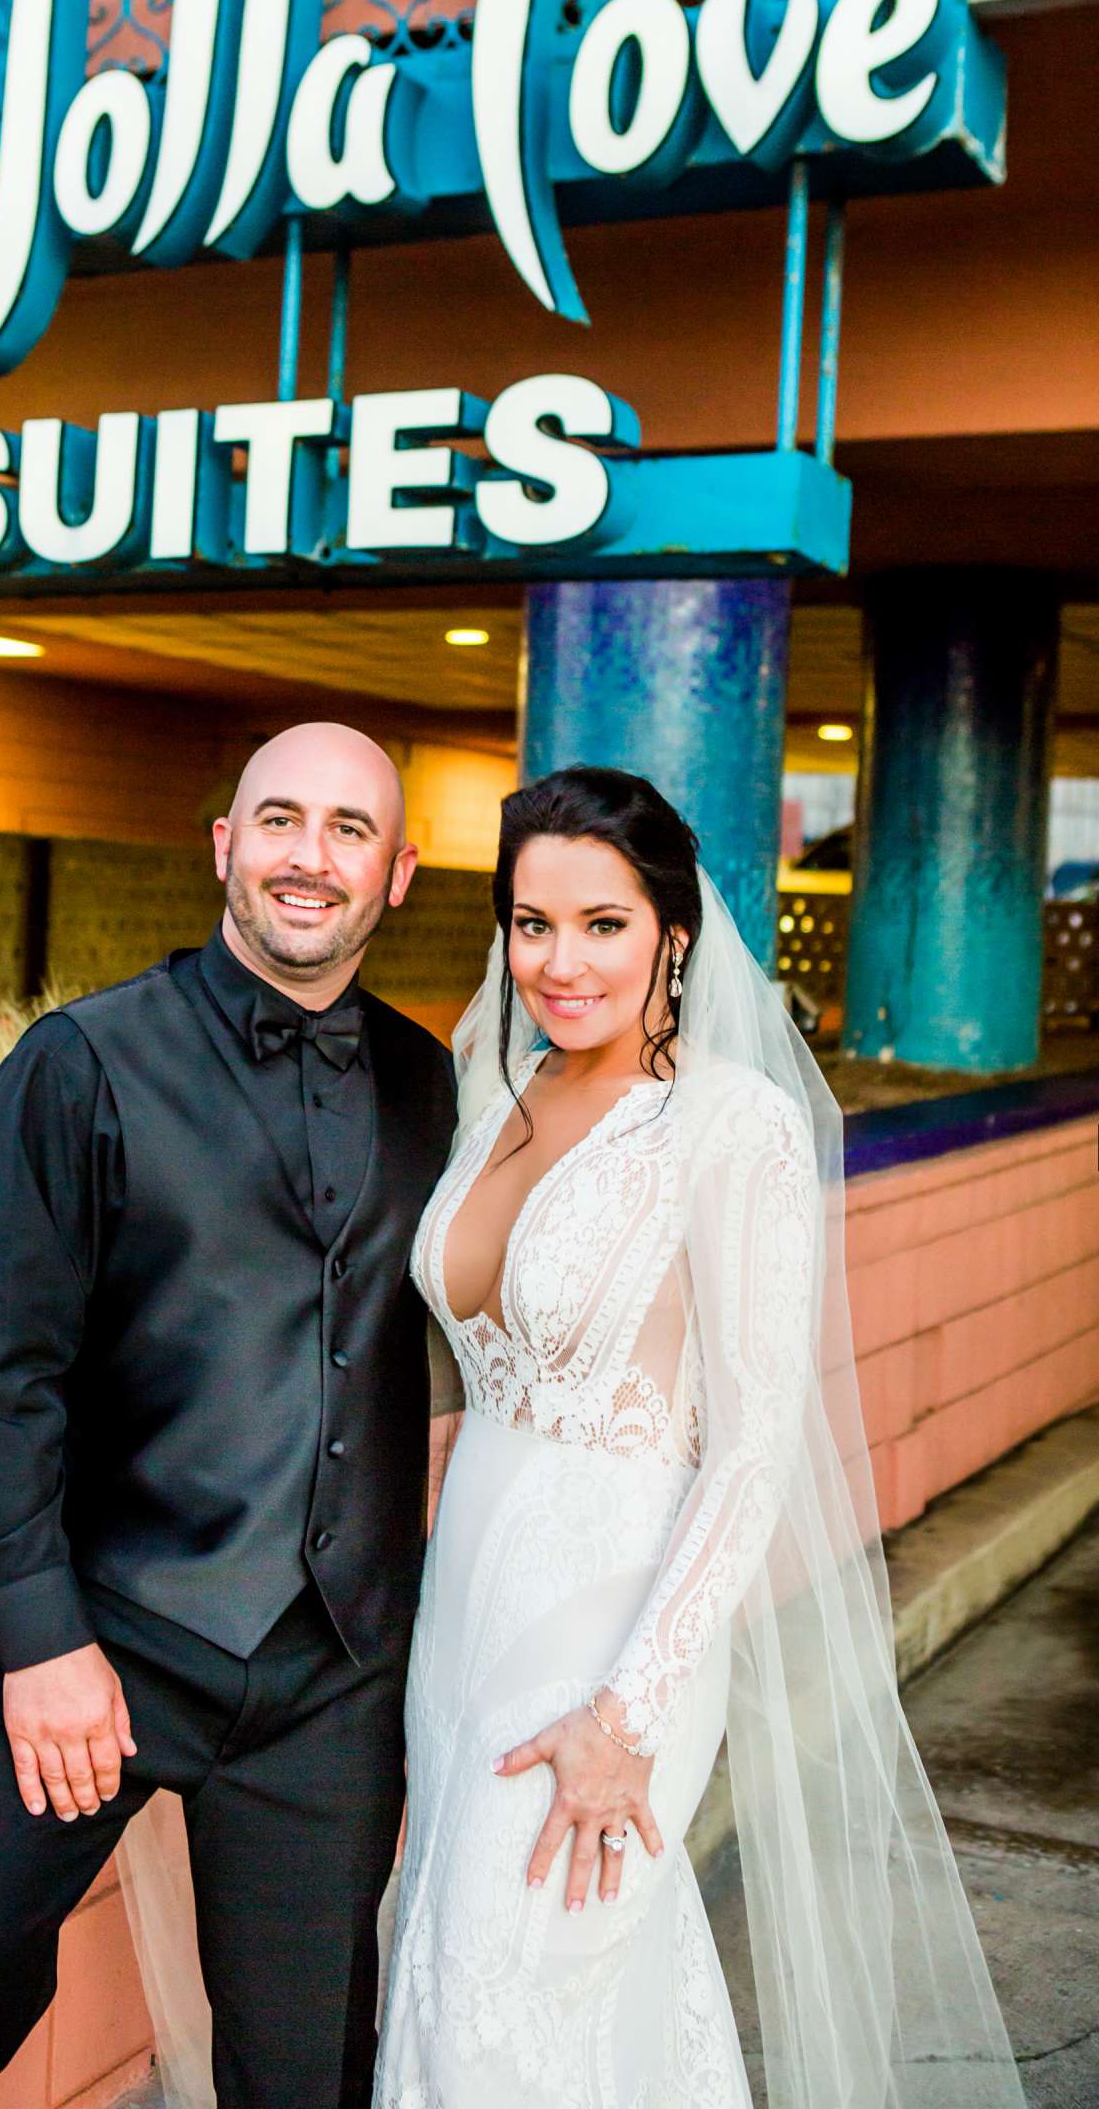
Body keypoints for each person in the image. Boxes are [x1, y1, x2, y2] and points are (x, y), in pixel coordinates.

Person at [0, 721, 457, 2109]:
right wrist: (40, 1641)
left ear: (398, 875)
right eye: (279, 819)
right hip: (103, 1633)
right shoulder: (80, 1061)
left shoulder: (426, 1081)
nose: (311, 856)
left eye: (350, 831)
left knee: (307, 2068)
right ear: (226, 847)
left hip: (330, 1683)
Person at [373, 765, 1027, 2109]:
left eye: (603, 923)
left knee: (510, 1994)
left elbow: (750, 1449)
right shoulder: (490, 1090)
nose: (562, 961)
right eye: (531, 922)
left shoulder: (737, 1127)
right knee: (460, 1979)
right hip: (465, 1613)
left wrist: (631, 1713)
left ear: (675, 931)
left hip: (616, 1623)